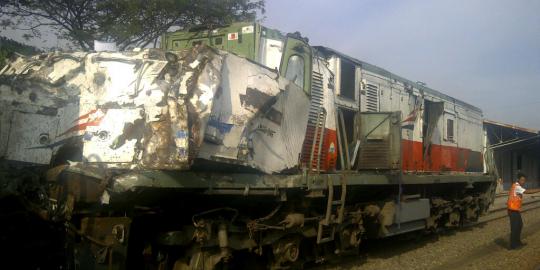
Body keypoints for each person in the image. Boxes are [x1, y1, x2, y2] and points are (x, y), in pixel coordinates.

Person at [507, 172, 540, 249]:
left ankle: (518, 242)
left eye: (524, 180)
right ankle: (513, 245)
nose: (523, 181)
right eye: (522, 180)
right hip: (512, 210)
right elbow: (527, 192)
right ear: (518, 179)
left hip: (515, 210)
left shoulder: (516, 186)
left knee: (519, 225)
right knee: (515, 227)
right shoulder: (517, 186)